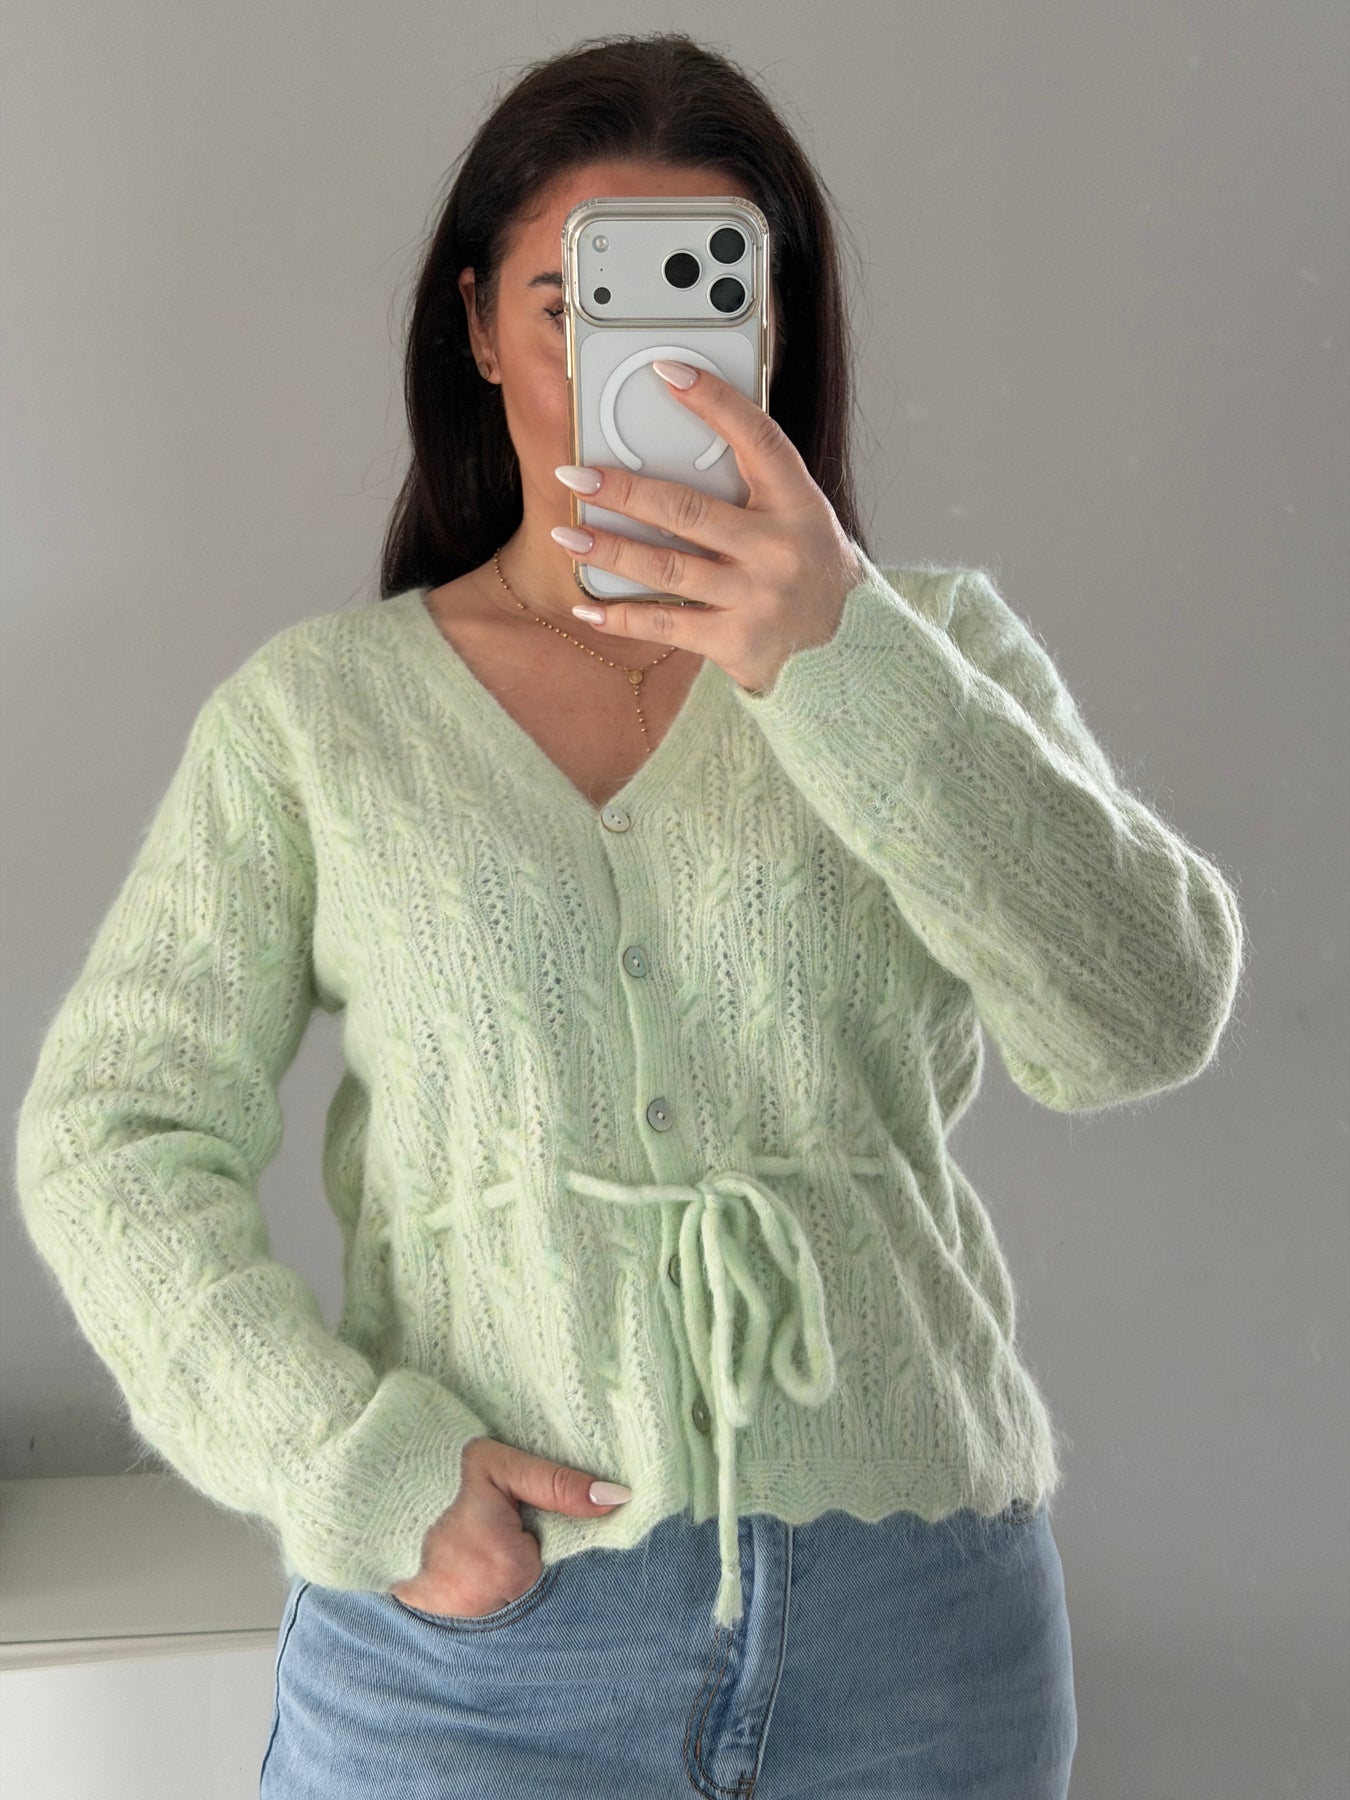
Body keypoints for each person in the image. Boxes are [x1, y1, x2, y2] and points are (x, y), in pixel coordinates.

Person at [12, 31, 1245, 1800]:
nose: (636, 364)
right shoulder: (319, 719)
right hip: (478, 1654)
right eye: (569, 305)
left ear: (772, 333)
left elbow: (1139, 1015)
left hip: (912, 1636)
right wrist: (349, 1462)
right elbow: (114, 1132)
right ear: (476, 327)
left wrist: (836, 658)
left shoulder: (930, 653)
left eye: (701, 304)